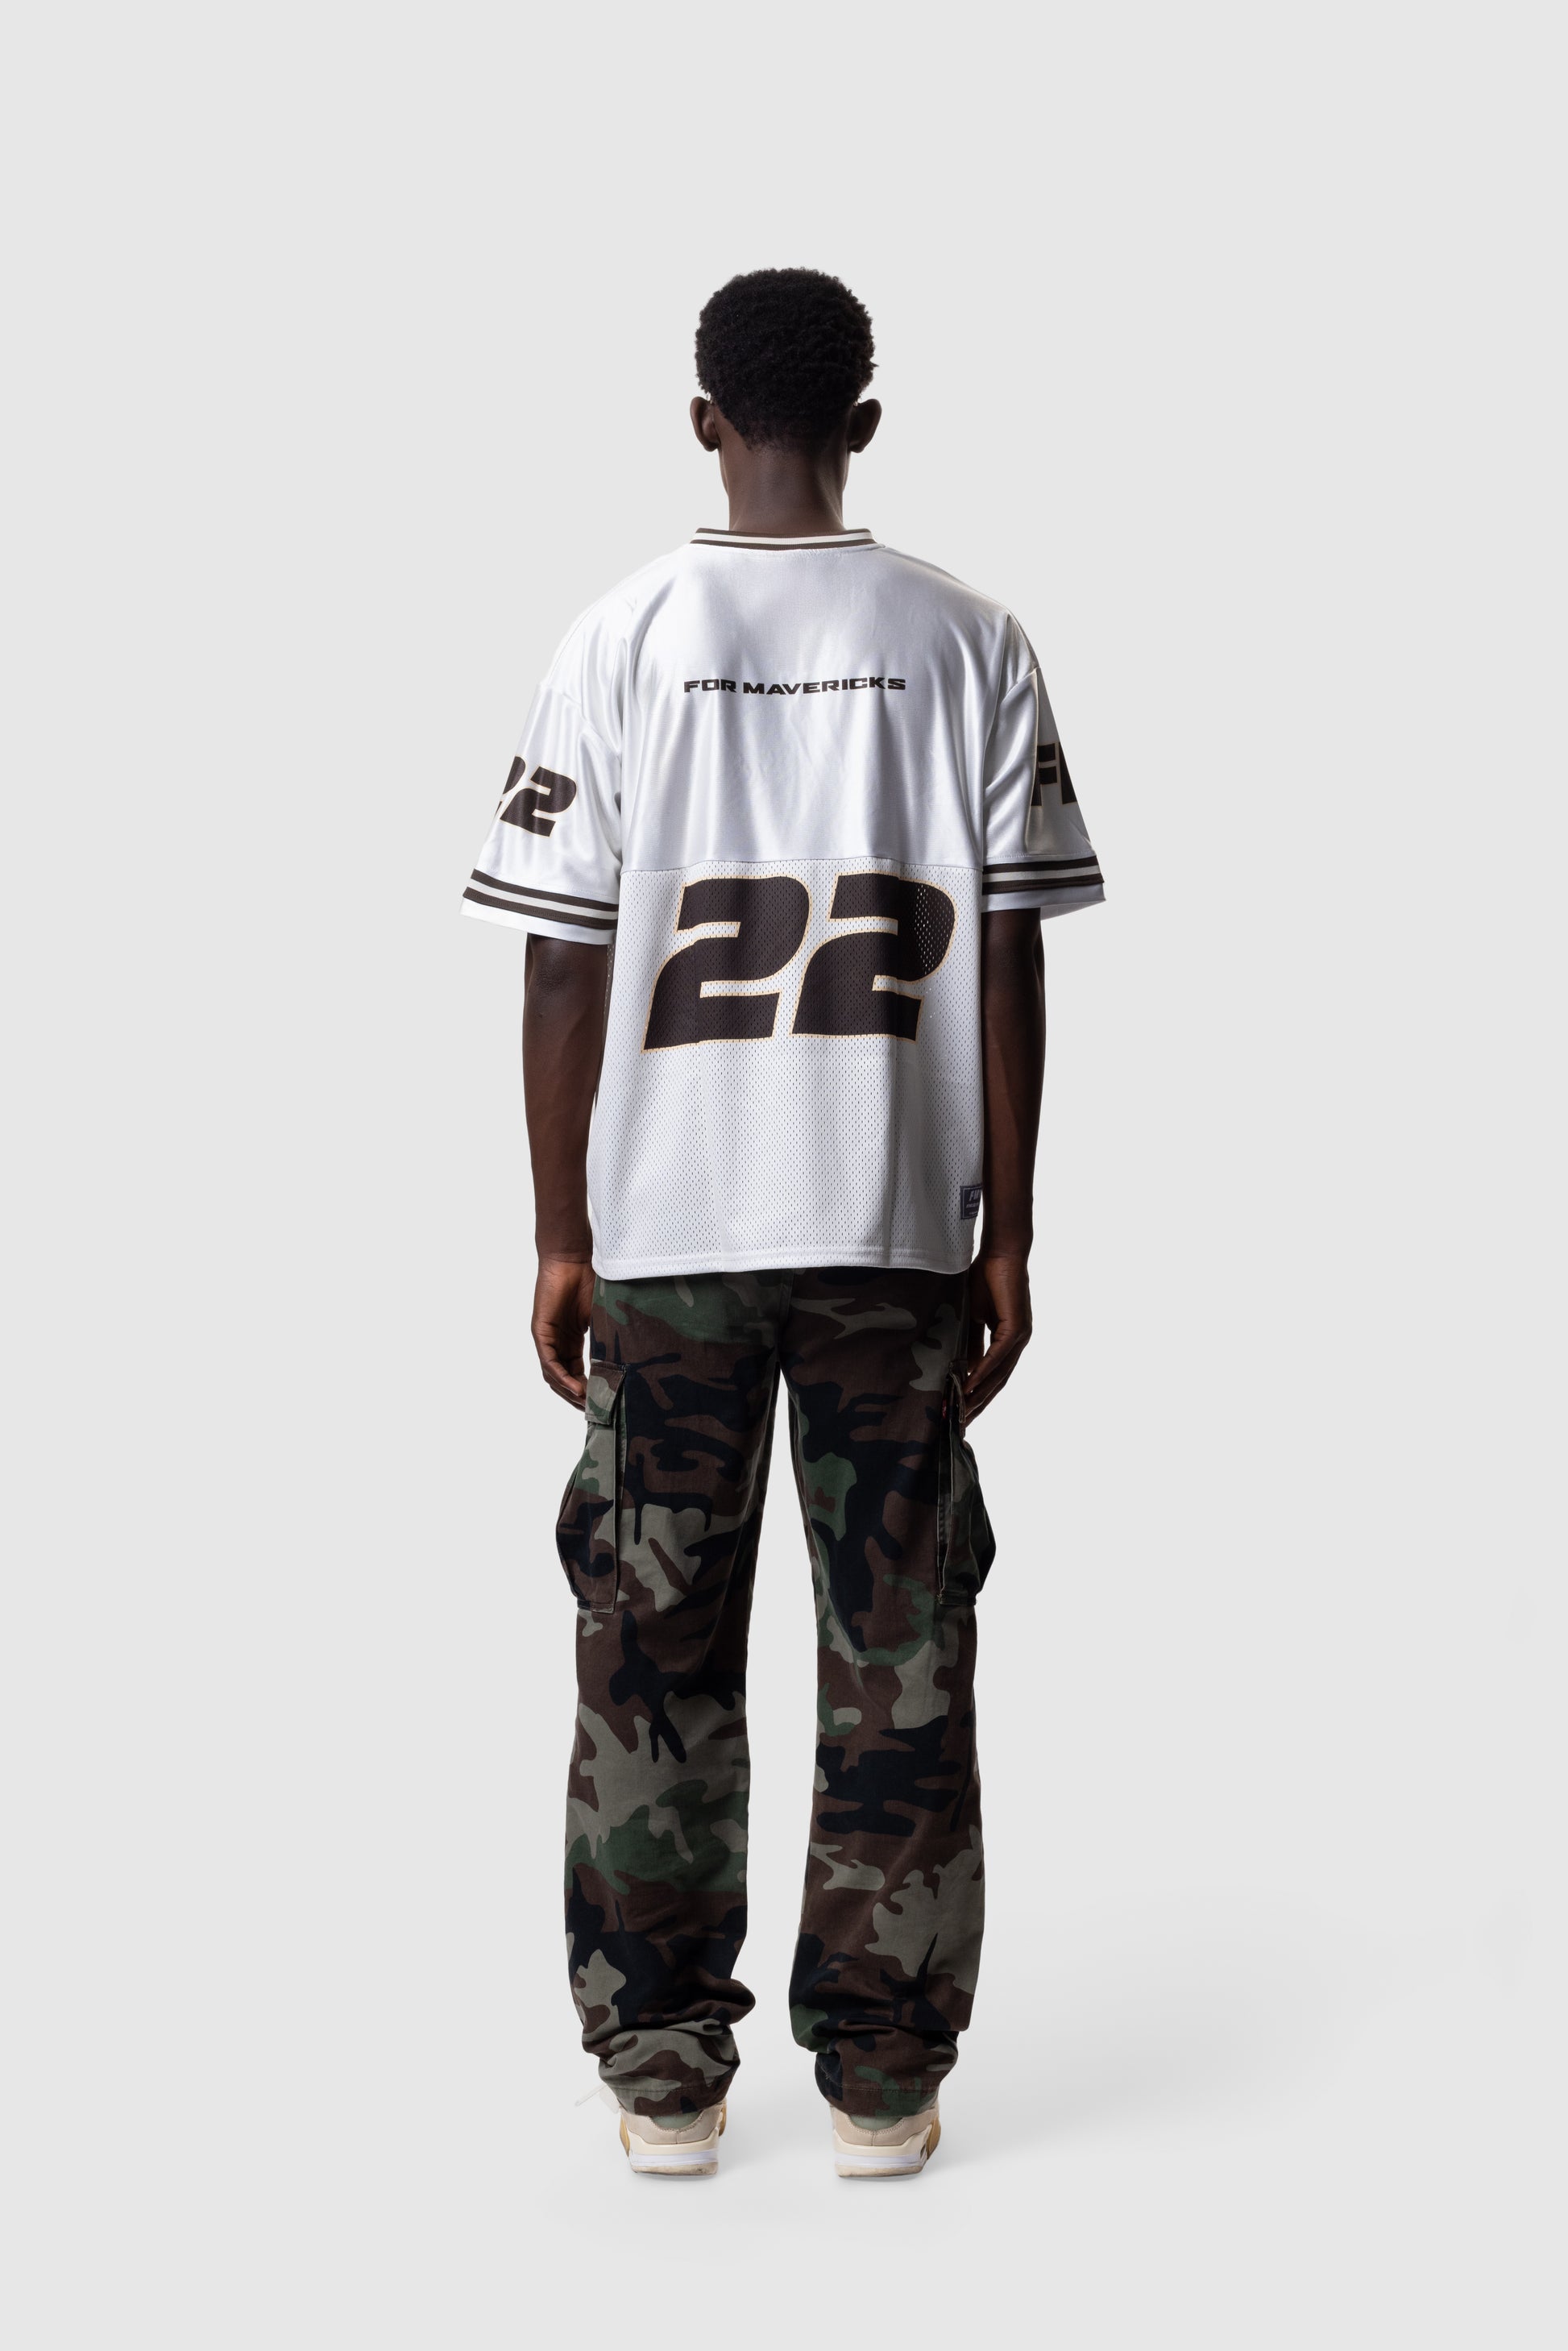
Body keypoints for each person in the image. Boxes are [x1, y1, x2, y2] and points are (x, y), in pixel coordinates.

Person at [463, 268, 1104, 2179]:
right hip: (894, 1227)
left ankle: (663, 2073)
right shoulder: (968, 638)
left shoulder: (618, 637)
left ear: (701, 421)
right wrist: (1008, 1229)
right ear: (866, 425)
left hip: (667, 1232)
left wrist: (558, 1230)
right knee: (897, 1645)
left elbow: (562, 960)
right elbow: (1011, 956)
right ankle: (884, 2080)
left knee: (648, 1645)